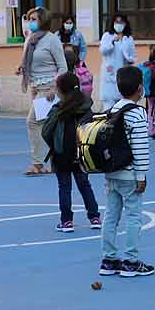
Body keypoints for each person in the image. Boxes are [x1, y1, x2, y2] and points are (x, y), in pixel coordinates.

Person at [99, 65, 154, 278]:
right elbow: (140, 146)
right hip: (130, 174)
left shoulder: (112, 110)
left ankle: (109, 259)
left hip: (111, 172)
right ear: (140, 88)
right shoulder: (138, 113)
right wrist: (141, 175)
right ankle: (131, 260)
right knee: (133, 216)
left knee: (111, 216)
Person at [42, 71, 102, 233]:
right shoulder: (86, 106)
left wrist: (54, 145)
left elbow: (46, 132)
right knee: (84, 185)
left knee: (64, 187)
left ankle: (66, 221)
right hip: (82, 153)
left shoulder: (58, 109)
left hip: (62, 154)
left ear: (61, 90)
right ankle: (95, 217)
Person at [20, 5, 68, 177]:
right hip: (36, 86)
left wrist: (55, 87)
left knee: (33, 122)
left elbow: (62, 66)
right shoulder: (31, 39)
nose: (30, 23)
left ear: (43, 21)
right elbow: (29, 62)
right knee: (46, 126)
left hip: (49, 88)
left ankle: (37, 163)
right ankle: (54, 160)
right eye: (29, 19)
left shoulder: (52, 40)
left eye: (34, 19)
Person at [98, 14, 137, 108]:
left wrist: (129, 58)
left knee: (122, 105)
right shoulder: (107, 36)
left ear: (125, 24)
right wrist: (112, 42)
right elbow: (103, 51)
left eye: (121, 22)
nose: (119, 25)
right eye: (117, 22)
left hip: (123, 74)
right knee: (108, 106)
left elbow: (133, 56)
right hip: (109, 73)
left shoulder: (128, 38)